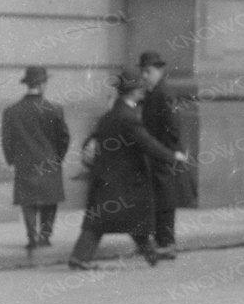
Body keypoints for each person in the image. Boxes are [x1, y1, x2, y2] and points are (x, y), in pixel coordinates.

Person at [69, 71, 186, 270]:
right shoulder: (128, 117)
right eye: (140, 88)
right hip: (126, 179)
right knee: (134, 217)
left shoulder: (110, 115)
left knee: (99, 222)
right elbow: (148, 144)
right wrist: (173, 156)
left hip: (106, 177)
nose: (143, 92)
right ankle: (150, 254)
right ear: (134, 92)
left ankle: (81, 257)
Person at [0, 65, 69, 253]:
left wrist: (11, 159)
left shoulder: (12, 111)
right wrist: (58, 157)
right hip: (50, 160)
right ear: (43, 84)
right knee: (50, 199)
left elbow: (7, 139)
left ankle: (31, 235)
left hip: (25, 162)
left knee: (28, 201)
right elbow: (64, 137)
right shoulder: (54, 109)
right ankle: (45, 236)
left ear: (27, 84)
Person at [138, 50, 194, 258]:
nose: (144, 76)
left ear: (159, 71)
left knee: (165, 200)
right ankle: (163, 241)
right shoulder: (154, 92)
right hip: (158, 153)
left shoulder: (163, 93)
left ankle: (167, 243)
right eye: (142, 72)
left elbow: (173, 127)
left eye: (148, 71)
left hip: (164, 154)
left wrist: (168, 152)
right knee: (160, 198)